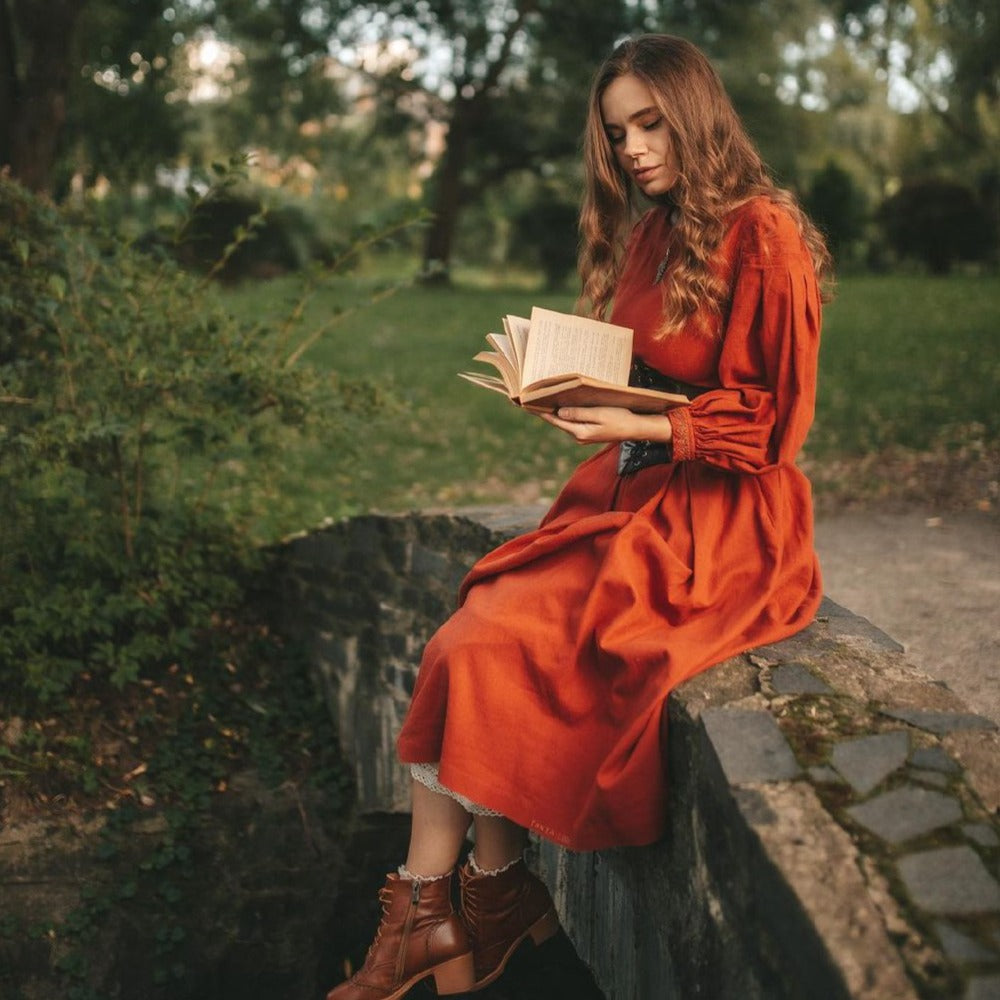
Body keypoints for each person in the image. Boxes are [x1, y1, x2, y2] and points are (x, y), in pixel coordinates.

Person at [326, 32, 831, 1000]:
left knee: (487, 644)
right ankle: (467, 895)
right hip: (626, 490)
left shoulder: (760, 231)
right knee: (467, 635)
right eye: (617, 131)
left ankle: (446, 907)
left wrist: (642, 416)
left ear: (694, 113)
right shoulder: (651, 226)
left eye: (650, 123)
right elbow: (646, 367)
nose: (635, 147)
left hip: (722, 518)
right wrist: (586, 396)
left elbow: (774, 423)